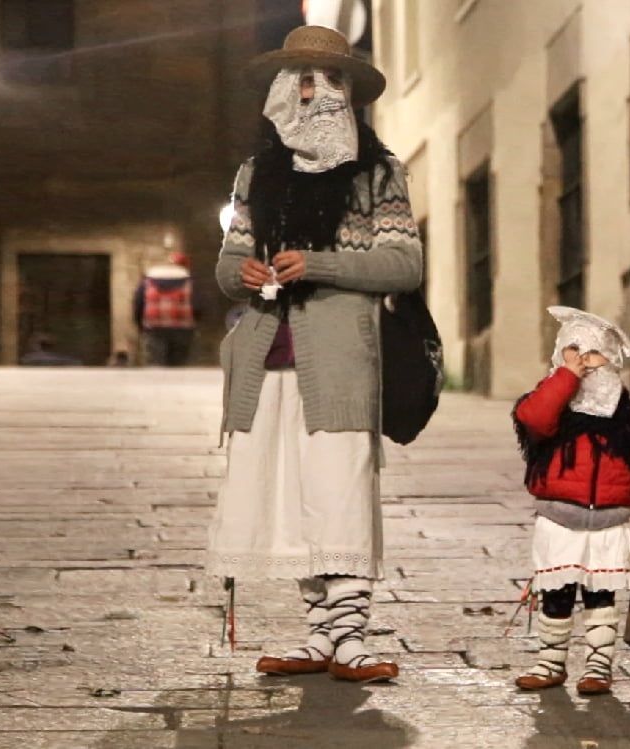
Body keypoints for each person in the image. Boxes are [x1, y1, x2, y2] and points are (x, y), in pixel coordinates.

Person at [204, 26, 422, 684]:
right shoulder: (256, 173)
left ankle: (350, 634)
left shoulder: (378, 174)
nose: (311, 90)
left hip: (339, 358)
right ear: (281, 89)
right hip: (267, 355)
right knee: (294, 496)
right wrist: (240, 271)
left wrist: (320, 263)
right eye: (299, 77)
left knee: (340, 491)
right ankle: (319, 636)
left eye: (326, 79)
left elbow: (404, 263)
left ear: (348, 92)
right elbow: (226, 263)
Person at [511, 307, 630, 696]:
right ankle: (550, 661)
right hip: (559, 519)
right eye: (575, 352)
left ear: (612, 359)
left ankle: (598, 666)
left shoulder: (626, 419)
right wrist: (566, 376)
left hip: (609, 521)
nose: (586, 362)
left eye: (594, 354)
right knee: (556, 593)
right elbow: (534, 418)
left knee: (602, 598)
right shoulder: (554, 403)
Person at [133, 251, 200, 366]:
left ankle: (157, 382)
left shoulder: (147, 282)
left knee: (155, 362)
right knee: (178, 363)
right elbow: (198, 305)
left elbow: (138, 304)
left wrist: (140, 325)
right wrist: (196, 322)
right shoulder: (190, 283)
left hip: (154, 327)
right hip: (182, 328)